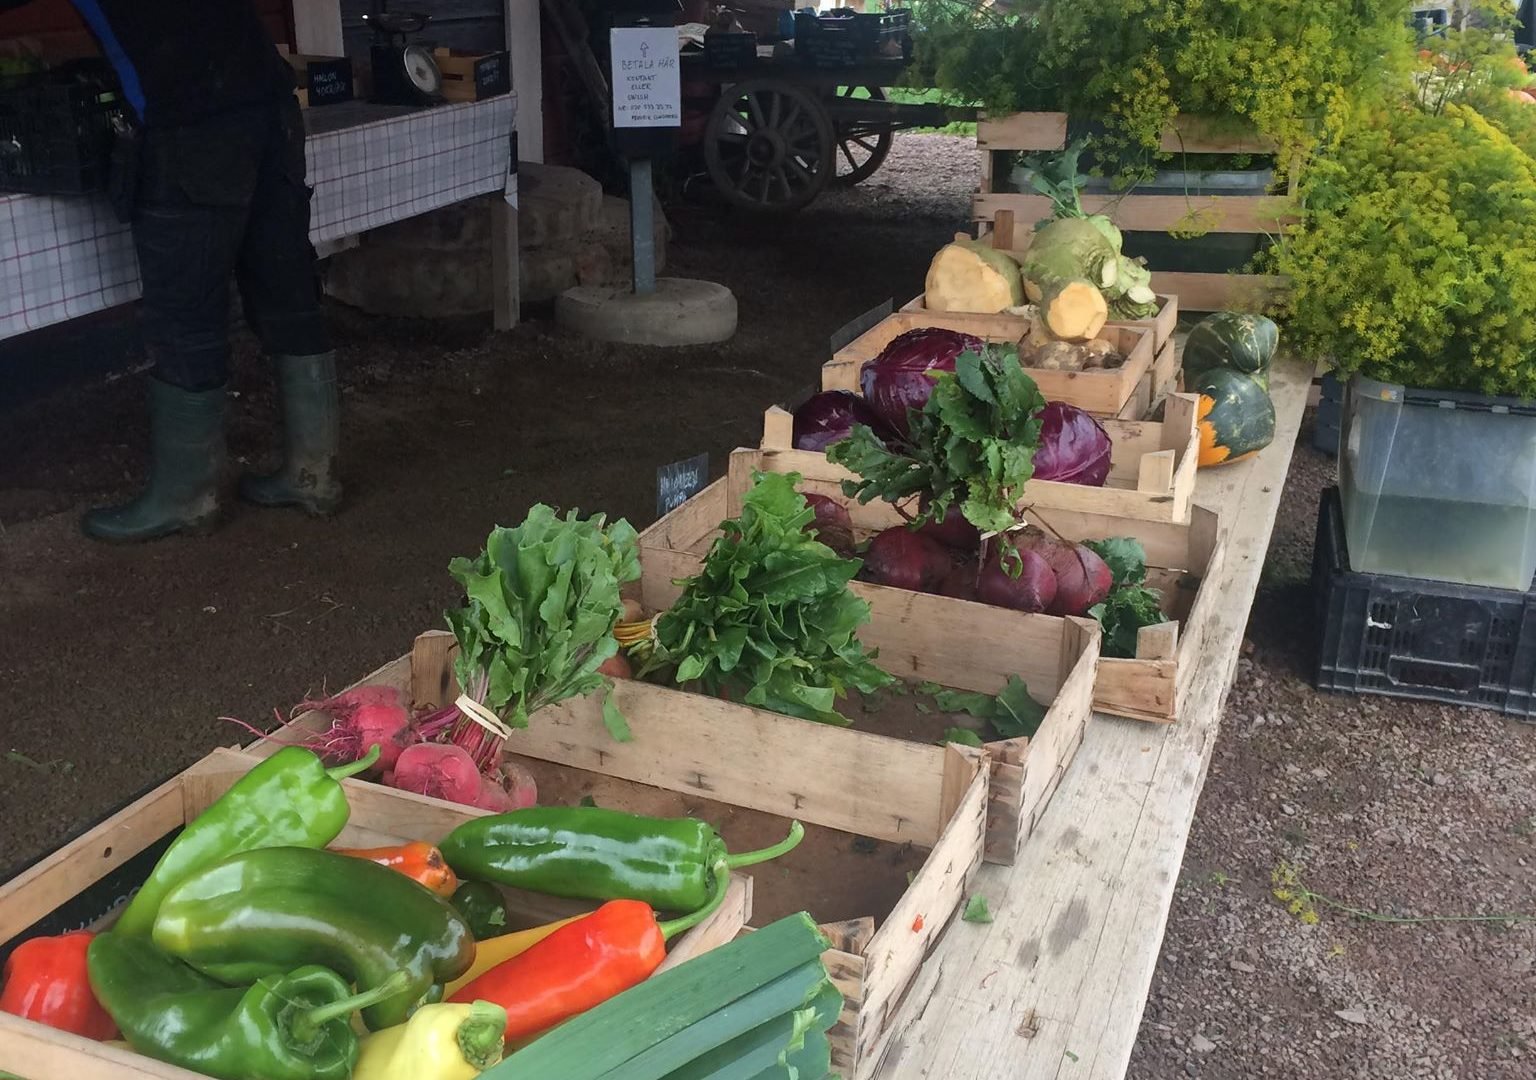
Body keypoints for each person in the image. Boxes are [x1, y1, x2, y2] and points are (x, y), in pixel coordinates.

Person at [0, 0, 341, 540]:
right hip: (270, 108)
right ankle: (312, 474)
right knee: (286, 286)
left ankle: (185, 497)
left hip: (190, 125)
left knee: (185, 312)